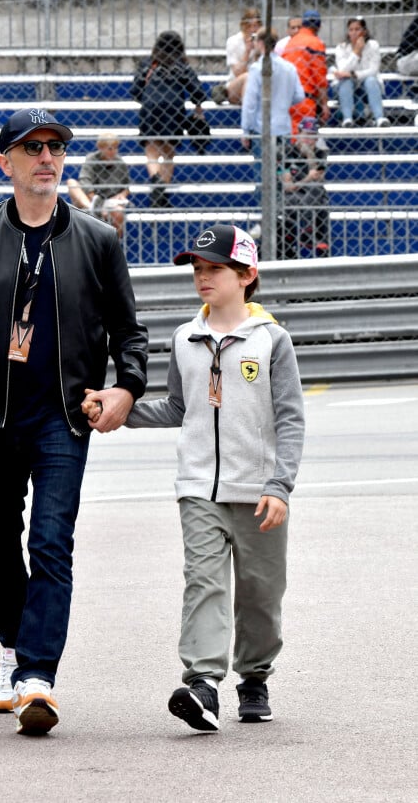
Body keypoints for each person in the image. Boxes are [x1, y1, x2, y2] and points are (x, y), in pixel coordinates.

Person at [0, 107, 148, 737]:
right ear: (5, 162)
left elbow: (130, 334)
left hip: (63, 421)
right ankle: (14, 647)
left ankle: (38, 677)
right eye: (33, 146)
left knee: (50, 541)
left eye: (56, 147)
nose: (48, 157)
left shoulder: (98, 240)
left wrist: (125, 388)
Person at [83, 223, 305, 732]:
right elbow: (178, 408)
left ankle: (255, 677)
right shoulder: (185, 338)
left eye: (215, 269)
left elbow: (291, 418)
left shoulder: (273, 340)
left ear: (247, 274)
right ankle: (203, 684)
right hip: (197, 488)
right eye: (198, 269)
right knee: (203, 583)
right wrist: (119, 408)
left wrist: (279, 485)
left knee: (260, 594)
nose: (203, 277)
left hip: (259, 493)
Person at [130, 30, 207, 208]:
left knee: (151, 149)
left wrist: (147, 98)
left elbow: (135, 90)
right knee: (169, 153)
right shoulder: (181, 65)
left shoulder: (149, 64)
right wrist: (197, 106)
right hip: (174, 109)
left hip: (151, 108)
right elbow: (198, 91)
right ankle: (161, 193)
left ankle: (156, 182)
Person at [241, 28, 305, 199]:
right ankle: (279, 216)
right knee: (281, 171)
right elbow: (299, 95)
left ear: (260, 43)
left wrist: (245, 129)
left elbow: (250, 102)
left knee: (263, 176)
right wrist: (283, 102)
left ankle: (265, 217)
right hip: (283, 128)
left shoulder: (257, 68)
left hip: (262, 128)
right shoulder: (289, 68)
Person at [278, 115, 330, 259]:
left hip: (312, 196)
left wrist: (309, 155)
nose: (308, 140)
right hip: (291, 198)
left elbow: (319, 180)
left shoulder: (320, 153)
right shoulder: (286, 151)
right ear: (298, 134)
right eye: (305, 135)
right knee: (319, 202)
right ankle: (311, 235)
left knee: (318, 193)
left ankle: (309, 234)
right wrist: (307, 178)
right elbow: (288, 186)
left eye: (312, 136)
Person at [66, 132, 130, 237]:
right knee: (71, 183)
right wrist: (95, 200)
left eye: (116, 148)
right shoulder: (91, 159)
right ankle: (93, 211)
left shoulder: (120, 162)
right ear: (100, 147)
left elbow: (126, 186)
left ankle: (114, 245)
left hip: (110, 201)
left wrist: (122, 194)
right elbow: (85, 181)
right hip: (91, 200)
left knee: (118, 212)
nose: (114, 151)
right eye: (110, 148)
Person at [332, 17, 389, 127]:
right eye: (351, 29)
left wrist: (354, 74)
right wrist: (356, 52)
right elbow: (342, 70)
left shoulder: (373, 45)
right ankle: (347, 118)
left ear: (364, 31)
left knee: (371, 80)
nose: (354, 33)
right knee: (346, 81)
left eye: (357, 29)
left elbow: (373, 70)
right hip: (346, 85)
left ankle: (379, 118)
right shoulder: (341, 47)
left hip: (367, 85)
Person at [282, 9, 330, 135]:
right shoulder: (316, 43)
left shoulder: (291, 43)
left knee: (291, 139)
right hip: (306, 100)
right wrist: (324, 104)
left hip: (286, 99)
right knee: (308, 139)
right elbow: (319, 77)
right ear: (319, 27)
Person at [212, 8, 262, 106]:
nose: (252, 30)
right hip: (236, 85)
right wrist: (247, 52)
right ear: (243, 26)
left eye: (256, 26)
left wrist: (258, 51)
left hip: (258, 84)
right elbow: (238, 73)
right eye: (249, 26)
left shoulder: (262, 42)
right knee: (248, 77)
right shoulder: (233, 41)